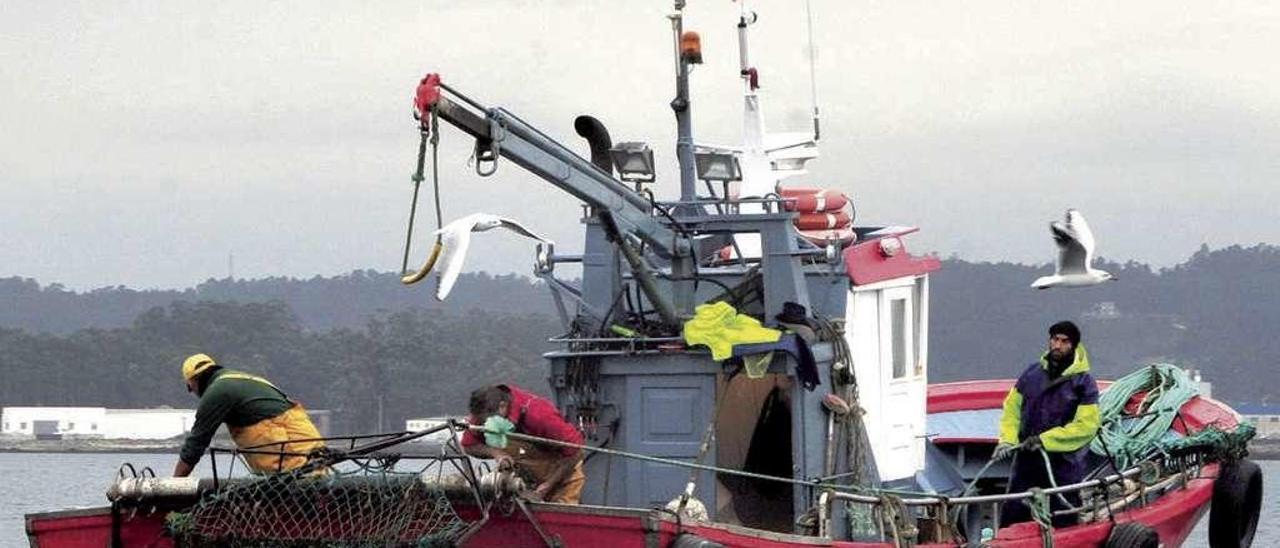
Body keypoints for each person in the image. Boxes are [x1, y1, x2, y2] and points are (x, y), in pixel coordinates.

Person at [995, 321, 1101, 527]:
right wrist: (1007, 440)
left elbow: (1086, 426)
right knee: (1013, 512)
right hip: (1027, 459)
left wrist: (1045, 440)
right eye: (1054, 339)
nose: (1058, 346)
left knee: (1063, 516)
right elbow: (1011, 410)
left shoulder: (1084, 384)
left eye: (1064, 341)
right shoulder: (1031, 374)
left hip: (1063, 463)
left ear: (1074, 345)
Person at [173, 353, 325, 477]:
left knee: (302, 484)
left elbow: (196, 442)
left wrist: (173, 485)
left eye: (190, 387)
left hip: (291, 448)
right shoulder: (241, 378)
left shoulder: (218, 391)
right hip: (308, 442)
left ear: (194, 380)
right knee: (314, 483)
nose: (192, 391)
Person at [461, 384, 586, 504]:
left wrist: (548, 485)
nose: (483, 424)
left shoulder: (540, 415)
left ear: (502, 406)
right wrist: (497, 453)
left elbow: (576, 450)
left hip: (562, 476)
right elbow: (468, 445)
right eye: (481, 421)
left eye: (486, 421)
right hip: (524, 479)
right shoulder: (483, 411)